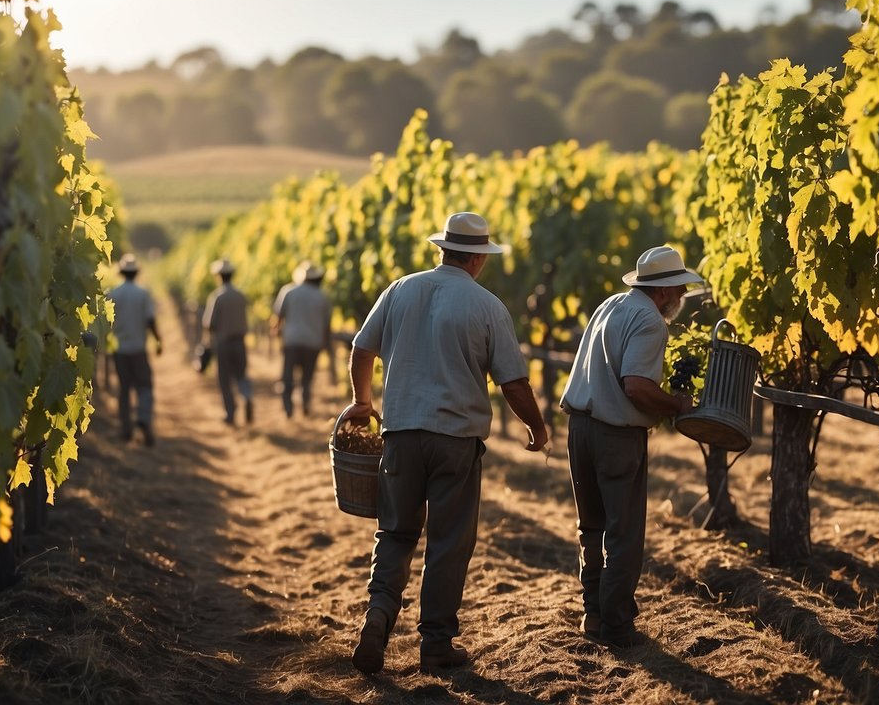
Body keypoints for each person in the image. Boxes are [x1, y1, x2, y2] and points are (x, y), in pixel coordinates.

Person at [346, 211, 549, 675]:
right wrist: (538, 429)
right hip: (456, 440)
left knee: (394, 534)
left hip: (400, 434)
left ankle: (377, 620)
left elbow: (362, 350)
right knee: (448, 542)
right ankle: (435, 645)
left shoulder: (399, 290)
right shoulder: (487, 305)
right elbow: (513, 383)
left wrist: (362, 401)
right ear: (478, 258)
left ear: (442, 250)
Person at [558, 244, 702, 648]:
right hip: (615, 436)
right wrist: (676, 405)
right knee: (623, 534)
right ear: (663, 291)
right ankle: (617, 626)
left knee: (591, 528)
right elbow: (636, 386)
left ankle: (594, 615)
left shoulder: (610, 306)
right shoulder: (652, 321)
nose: (682, 298)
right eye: (680, 290)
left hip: (579, 429)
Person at [106, 253, 162, 445]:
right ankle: (143, 419)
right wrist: (158, 340)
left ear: (121, 273)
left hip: (119, 350)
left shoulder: (113, 294)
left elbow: (106, 323)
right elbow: (150, 320)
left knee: (124, 389)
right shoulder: (143, 294)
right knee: (144, 387)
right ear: (136, 273)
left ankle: (126, 430)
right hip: (138, 348)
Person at [270, 260, 333, 419]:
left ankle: (288, 409)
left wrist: (276, 335)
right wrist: (326, 345)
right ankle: (305, 405)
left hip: (292, 341)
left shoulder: (288, 291)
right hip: (313, 343)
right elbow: (327, 325)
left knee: (288, 377)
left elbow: (278, 317)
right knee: (307, 378)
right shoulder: (322, 297)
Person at [202, 258, 254, 426]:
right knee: (241, 375)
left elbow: (209, 323)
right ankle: (247, 396)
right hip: (240, 342)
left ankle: (230, 413)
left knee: (225, 379)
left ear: (219, 276)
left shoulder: (217, 296)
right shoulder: (240, 295)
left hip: (223, 343)